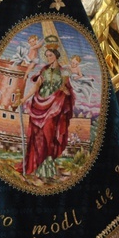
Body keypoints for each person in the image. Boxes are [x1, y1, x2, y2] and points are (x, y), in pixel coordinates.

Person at [16, 43, 75, 178]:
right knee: (36, 135)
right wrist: (23, 99)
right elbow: (36, 86)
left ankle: (47, 164)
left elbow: (67, 91)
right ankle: (34, 165)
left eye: (51, 55)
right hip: (39, 104)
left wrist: (65, 91)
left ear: (56, 56)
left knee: (49, 133)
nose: (48, 58)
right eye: (47, 55)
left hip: (55, 106)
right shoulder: (44, 70)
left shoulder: (63, 72)